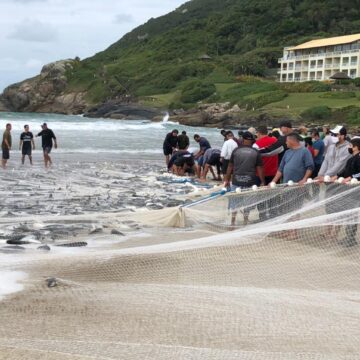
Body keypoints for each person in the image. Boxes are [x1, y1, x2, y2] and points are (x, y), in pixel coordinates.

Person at [224, 131, 265, 226]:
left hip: (236, 181)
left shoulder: (236, 151)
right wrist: (262, 181)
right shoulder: (255, 152)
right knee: (248, 204)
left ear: (243, 140)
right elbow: (259, 168)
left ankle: (232, 223)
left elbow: (230, 166)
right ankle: (245, 221)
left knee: (235, 203)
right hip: (250, 181)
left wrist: (226, 180)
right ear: (251, 141)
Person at [330, 138, 360, 247]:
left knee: (353, 214)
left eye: (350, 145)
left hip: (356, 191)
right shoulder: (351, 159)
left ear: (356, 147)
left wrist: (351, 177)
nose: (349, 147)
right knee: (349, 213)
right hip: (348, 190)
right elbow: (344, 171)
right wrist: (336, 176)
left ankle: (351, 238)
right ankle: (349, 236)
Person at [254, 125, 279, 220]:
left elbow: (255, 160)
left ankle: (262, 217)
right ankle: (272, 215)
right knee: (273, 196)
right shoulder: (275, 141)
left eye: (257, 133)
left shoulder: (256, 144)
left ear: (259, 133)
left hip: (260, 174)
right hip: (274, 173)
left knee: (260, 196)